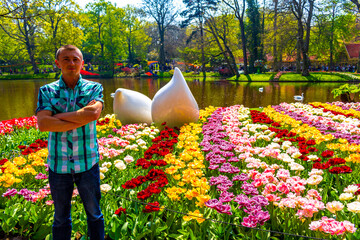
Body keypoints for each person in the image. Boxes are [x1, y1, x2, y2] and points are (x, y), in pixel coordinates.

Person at [36, 45, 105, 240]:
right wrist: (80, 117)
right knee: (60, 218)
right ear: (58, 63)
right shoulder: (47, 91)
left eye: (75, 59)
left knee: (94, 214)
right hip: (59, 165)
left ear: (82, 63)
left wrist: (57, 117)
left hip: (87, 162)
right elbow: (43, 124)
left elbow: (93, 113)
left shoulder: (94, 88)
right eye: (66, 59)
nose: (71, 63)